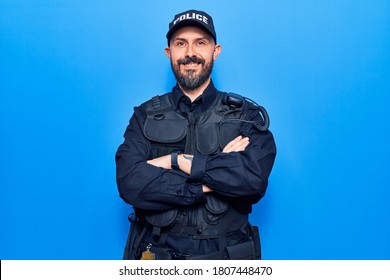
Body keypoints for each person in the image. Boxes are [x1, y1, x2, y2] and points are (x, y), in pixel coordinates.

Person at [115, 9, 276, 260]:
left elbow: (253, 180)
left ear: (216, 50)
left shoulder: (246, 116)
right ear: (169, 53)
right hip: (156, 255)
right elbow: (130, 183)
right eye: (181, 44)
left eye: (200, 43)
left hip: (227, 258)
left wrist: (174, 161)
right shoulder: (144, 115)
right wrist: (211, 180)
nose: (190, 53)